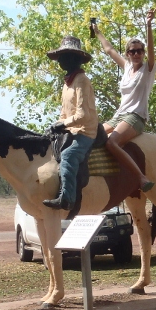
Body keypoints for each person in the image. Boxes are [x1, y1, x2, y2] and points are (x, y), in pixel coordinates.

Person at [91, 9, 156, 192]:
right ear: (128, 53)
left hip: (135, 117)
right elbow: (109, 49)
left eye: (139, 51)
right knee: (92, 134)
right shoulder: (127, 67)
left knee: (111, 142)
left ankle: (141, 178)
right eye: (132, 51)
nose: (136, 54)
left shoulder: (148, 70)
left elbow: (152, 51)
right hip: (118, 116)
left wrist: (149, 25)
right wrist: (97, 31)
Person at [43, 36, 99, 210]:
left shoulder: (82, 80)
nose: (61, 60)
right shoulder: (67, 82)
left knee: (68, 156)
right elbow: (64, 112)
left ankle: (67, 198)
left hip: (84, 131)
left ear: (76, 59)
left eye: (66, 56)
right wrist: (56, 124)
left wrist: (63, 124)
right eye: (61, 56)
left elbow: (83, 114)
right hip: (71, 128)